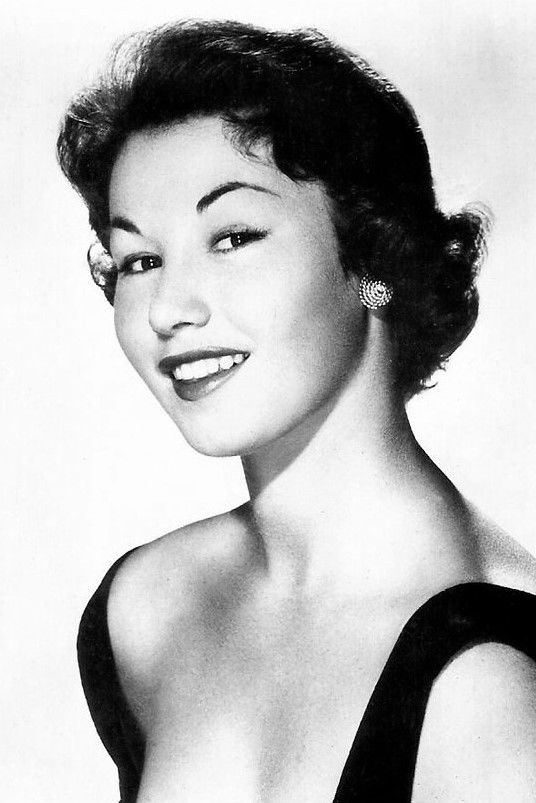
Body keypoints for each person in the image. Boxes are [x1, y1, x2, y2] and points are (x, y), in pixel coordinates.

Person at [57, 19, 536, 803]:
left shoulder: (490, 680)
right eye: (141, 259)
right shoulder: (146, 610)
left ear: (373, 261)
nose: (167, 308)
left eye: (232, 237)